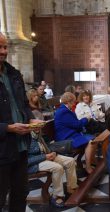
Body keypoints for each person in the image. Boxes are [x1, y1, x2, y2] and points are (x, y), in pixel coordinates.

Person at [0, 33, 43, 211]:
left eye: (5, 47)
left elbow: (23, 105)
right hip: (1, 150)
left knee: (20, 193)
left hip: (21, 147)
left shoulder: (13, 73)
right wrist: (8, 128)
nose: (3, 51)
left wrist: (29, 118)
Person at [28, 130, 78, 208]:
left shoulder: (38, 134)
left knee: (70, 161)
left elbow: (45, 148)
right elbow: (27, 160)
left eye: (39, 125)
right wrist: (45, 156)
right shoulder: (25, 137)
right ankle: (57, 196)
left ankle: (71, 188)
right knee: (57, 168)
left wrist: (52, 152)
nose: (38, 127)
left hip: (46, 156)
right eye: (35, 125)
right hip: (35, 163)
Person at [54, 92, 98, 174]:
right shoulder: (63, 112)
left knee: (93, 139)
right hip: (66, 139)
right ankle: (88, 167)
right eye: (74, 102)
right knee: (91, 142)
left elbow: (75, 124)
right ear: (69, 101)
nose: (74, 104)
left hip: (71, 135)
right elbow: (77, 124)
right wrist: (86, 118)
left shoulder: (65, 110)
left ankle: (93, 161)